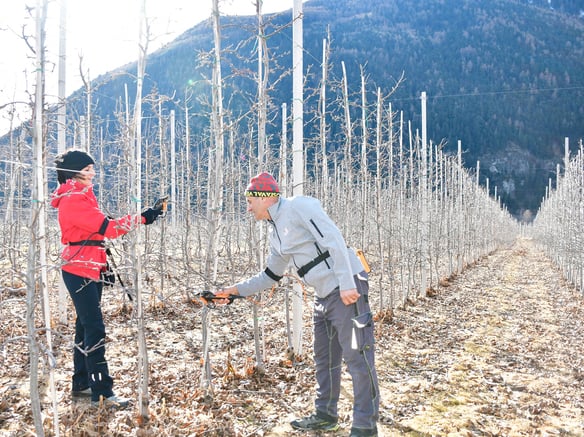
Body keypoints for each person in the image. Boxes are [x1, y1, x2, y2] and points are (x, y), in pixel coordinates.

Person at [218, 172, 379, 437]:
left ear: (267, 197)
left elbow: (333, 238)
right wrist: (232, 292)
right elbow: (270, 275)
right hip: (323, 296)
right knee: (325, 358)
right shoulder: (275, 235)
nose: (247, 208)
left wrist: (347, 282)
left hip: (345, 288)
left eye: (250, 201)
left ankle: (365, 427)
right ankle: (325, 416)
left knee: (358, 357)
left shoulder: (299, 206)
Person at [50, 149, 163, 408]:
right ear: (74, 172)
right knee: (94, 328)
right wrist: (143, 218)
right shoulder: (74, 199)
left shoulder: (80, 196)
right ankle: (101, 392)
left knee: (85, 327)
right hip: (80, 269)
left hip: (90, 266)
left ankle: (82, 385)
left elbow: (100, 225)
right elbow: (108, 229)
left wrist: (141, 217)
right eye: (87, 169)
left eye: (92, 168)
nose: (92, 173)